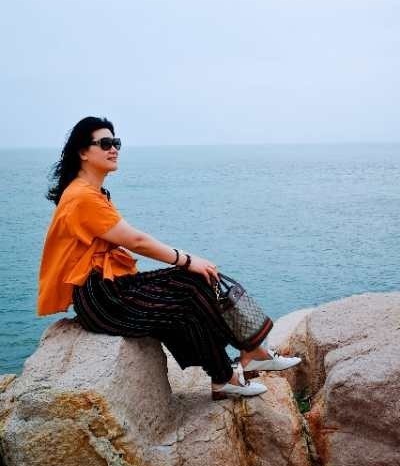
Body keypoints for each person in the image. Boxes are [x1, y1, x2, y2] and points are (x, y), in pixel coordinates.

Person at [38, 116, 300, 400]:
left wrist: (190, 265)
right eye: (105, 143)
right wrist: (186, 259)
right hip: (102, 298)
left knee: (197, 279)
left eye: (116, 143)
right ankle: (227, 374)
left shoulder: (91, 192)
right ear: (83, 152)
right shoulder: (82, 197)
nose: (113, 149)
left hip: (111, 287)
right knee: (188, 292)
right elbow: (136, 241)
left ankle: (251, 353)